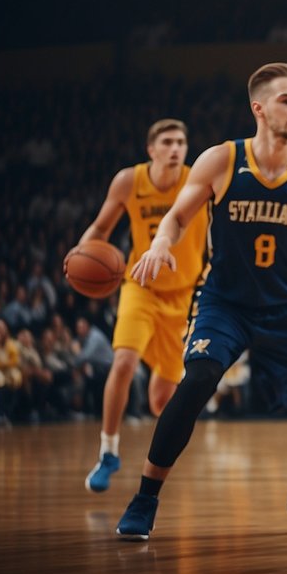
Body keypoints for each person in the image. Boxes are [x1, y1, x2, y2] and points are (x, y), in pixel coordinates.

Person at [115, 62, 287, 540]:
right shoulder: (221, 160)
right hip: (225, 303)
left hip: (285, 309)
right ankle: (145, 497)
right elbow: (178, 217)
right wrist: (161, 242)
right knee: (198, 378)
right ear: (258, 108)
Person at [73, 119, 208, 493]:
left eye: (181, 141)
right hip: (140, 285)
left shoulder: (198, 178)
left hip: (184, 295)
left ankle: (158, 458)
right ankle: (108, 452)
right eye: (167, 142)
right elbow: (100, 229)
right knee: (124, 361)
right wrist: (82, 251)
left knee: (159, 400)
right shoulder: (128, 181)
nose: (176, 148)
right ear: (151, 149)